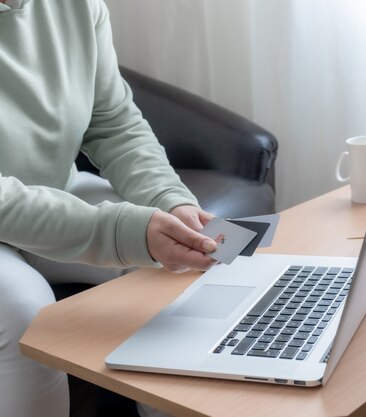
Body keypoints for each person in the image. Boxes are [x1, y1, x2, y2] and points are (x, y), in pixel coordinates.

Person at [0, 0, 218, 416]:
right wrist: (126, 233)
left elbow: (113, 123)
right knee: (25, 315)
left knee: (180, 268)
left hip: (55, 192)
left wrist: (168, 198)